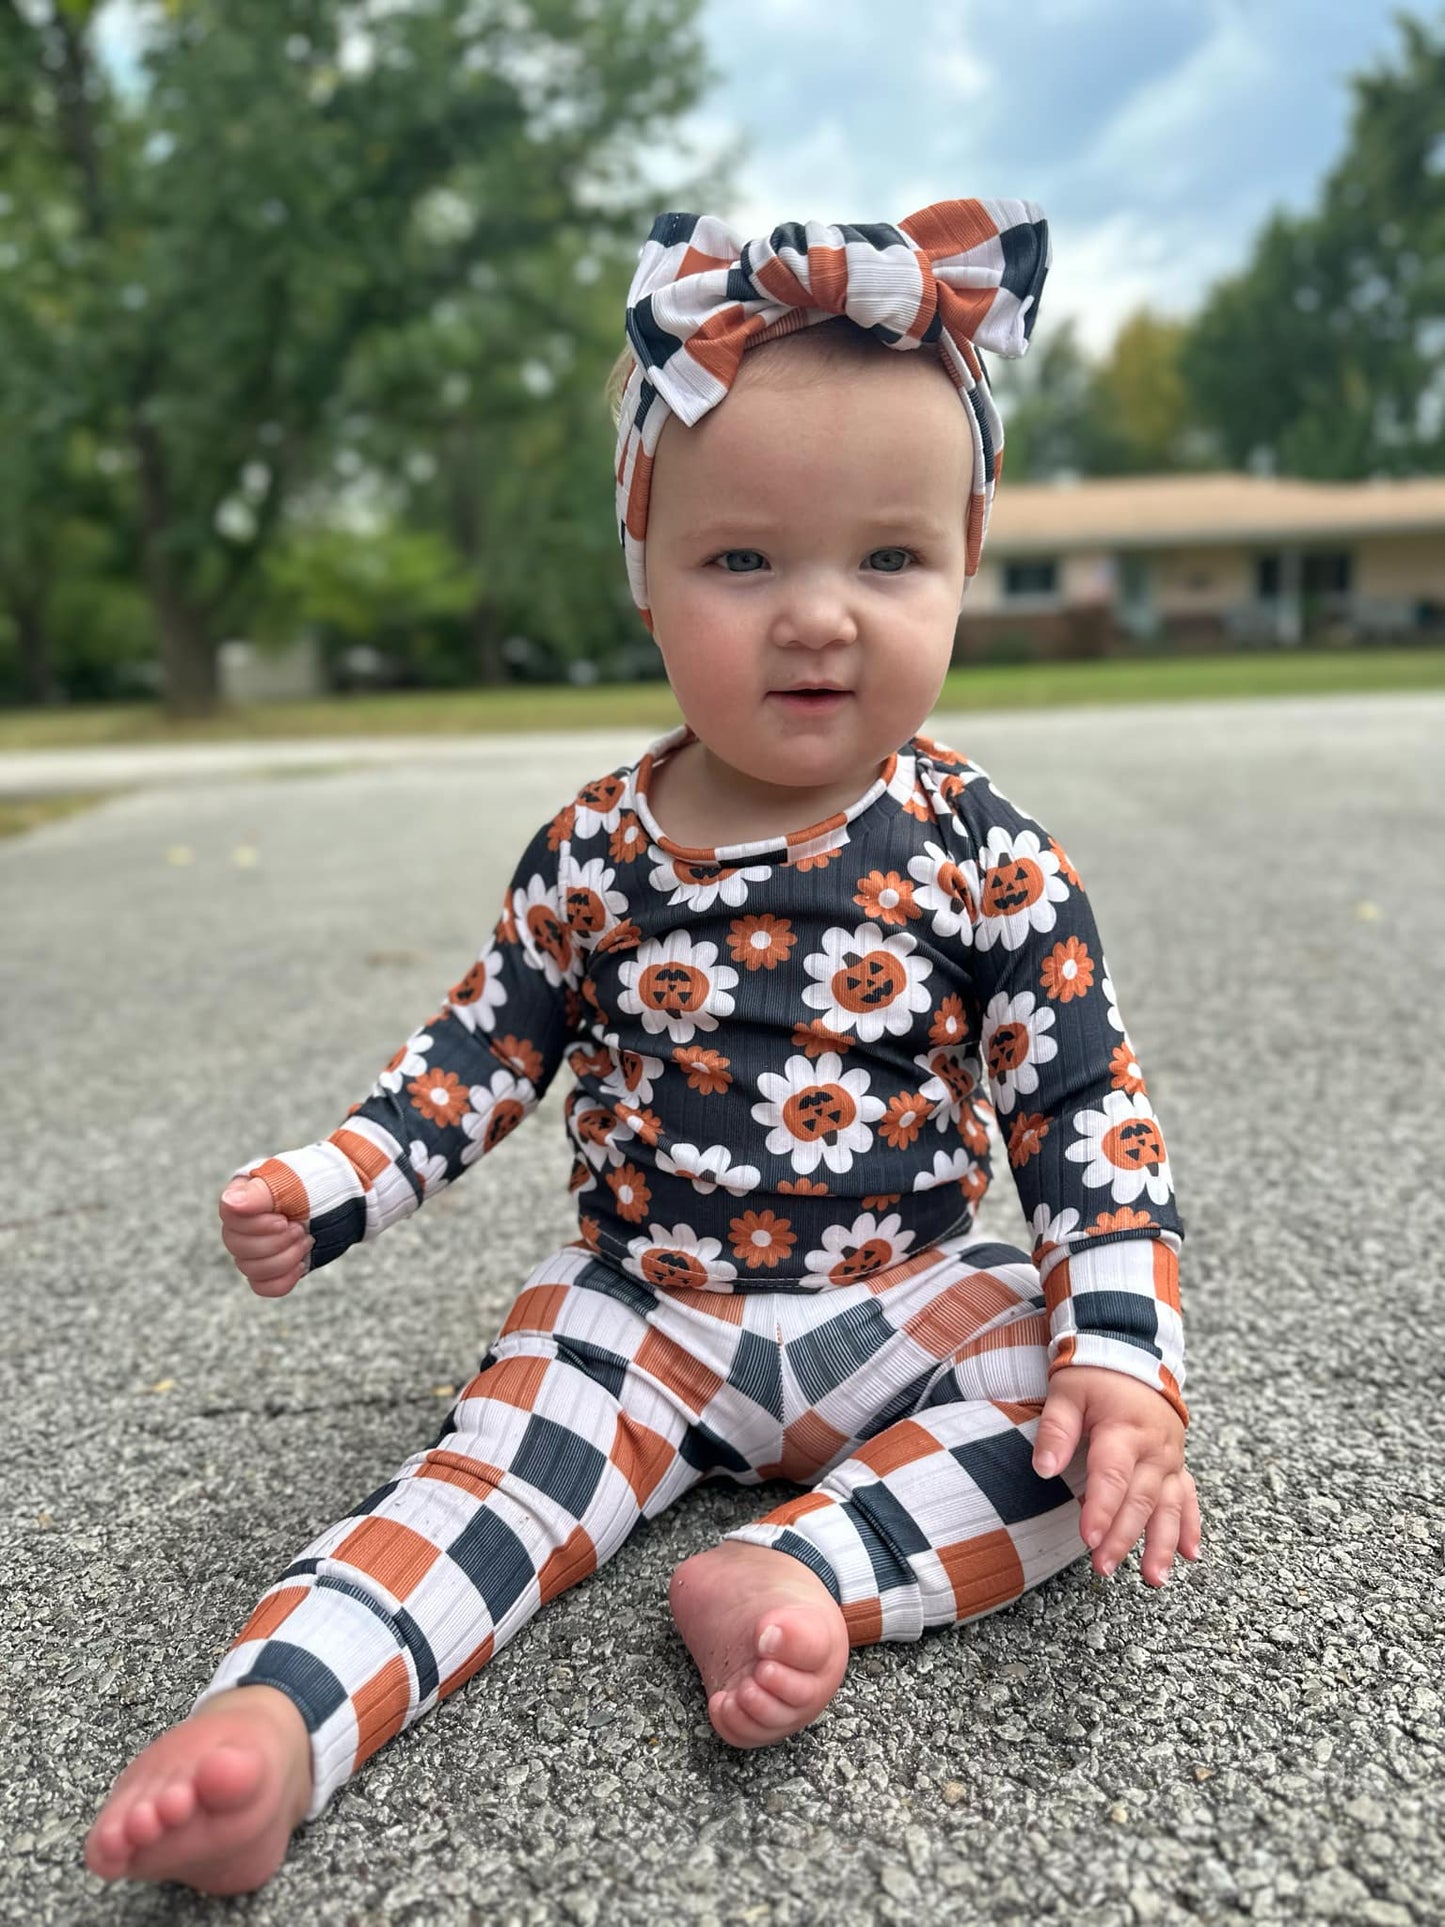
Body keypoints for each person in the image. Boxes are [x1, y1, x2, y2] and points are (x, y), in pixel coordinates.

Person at [85, 199, 1201, 1896]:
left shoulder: (989, 855)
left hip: (895, 1295)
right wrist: (335, 1184)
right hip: (645, 1307)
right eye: (742, 561)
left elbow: (1080, 1116)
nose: (817, 618)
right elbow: (475, 1054)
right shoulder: (596, 852)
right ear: (645, 570)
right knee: (490, 1484)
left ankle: (802, 1569)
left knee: (1084, 1438)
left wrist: (1124, 1359)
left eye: (887, 560)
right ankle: (278, 1718)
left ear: (963, 562)